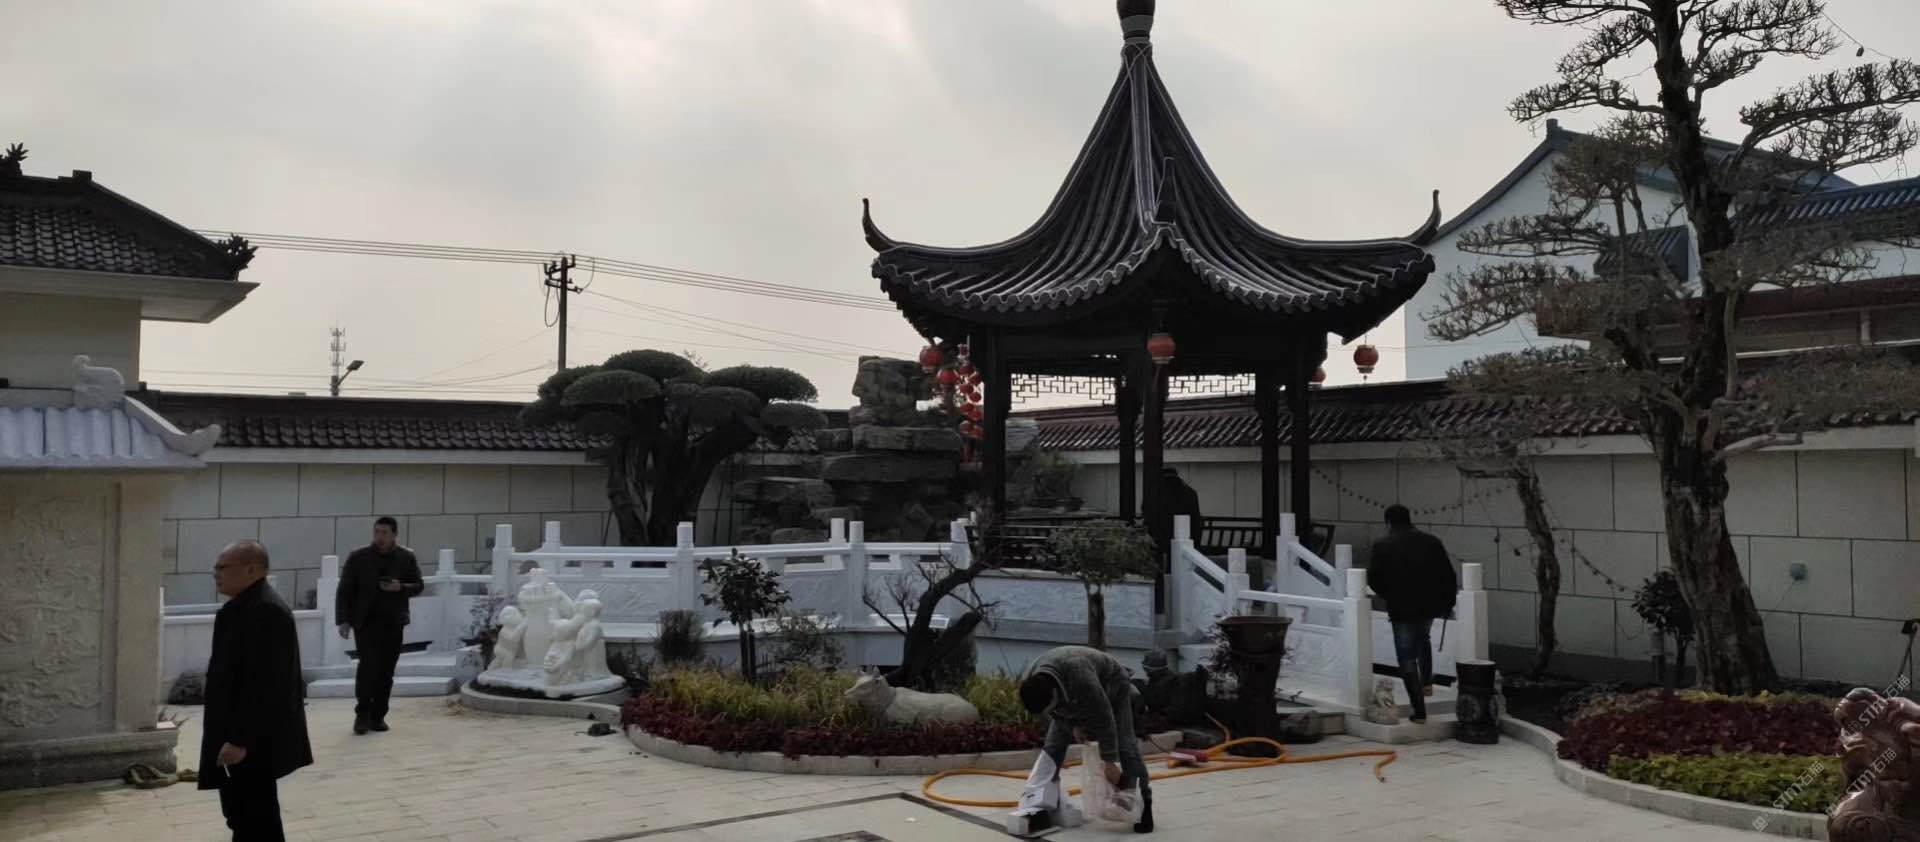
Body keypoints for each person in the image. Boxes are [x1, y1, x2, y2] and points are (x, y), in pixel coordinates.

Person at [200, 540, 312, 842]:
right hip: (236, 735)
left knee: (256, 819)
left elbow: (266, 686)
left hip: (252, 743)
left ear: (251, 570)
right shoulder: (242, 608)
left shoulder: (266, 611)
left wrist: (239, 739)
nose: (216, 573)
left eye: (223, 567)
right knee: (242, 816)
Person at [1018, 645, 1154, 834]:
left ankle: (1144, 803)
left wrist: (1109, 762)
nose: (1050, 713)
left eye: (1050, 708)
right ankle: (1041, 800)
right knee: (1053, 745)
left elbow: (1105, 717)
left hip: (1113, 684)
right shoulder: (1033, 682)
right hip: (1072, 689)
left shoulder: (1080, 678)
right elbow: (1055, 714)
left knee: (1125, 743)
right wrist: (1073, 726)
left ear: (1054, 694)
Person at [1367, 504, 1458, 723]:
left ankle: (1419, 710)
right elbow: (1448, 574)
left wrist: (1390, 595)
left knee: (1406, 657)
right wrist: (1448, 602)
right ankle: (1426, 683)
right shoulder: (1431, 542)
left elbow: (1374, 579)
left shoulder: (1382, 545)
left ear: (1388, 522)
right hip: (1428, 605)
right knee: (1423, 639)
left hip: (1401, 607)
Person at [335, 516, 424, 735]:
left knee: (386, 671)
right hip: (365, 623)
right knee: (368, 667)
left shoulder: (406, 557)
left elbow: (418, 585)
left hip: (393, 622)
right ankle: (362, 715)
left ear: (394, 535)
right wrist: (343, 620)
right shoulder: (358, 557)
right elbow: (344, 590)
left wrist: (400, 587)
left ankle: (378, 716)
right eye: (377, 532)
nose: (380, 537)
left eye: (385, 533)